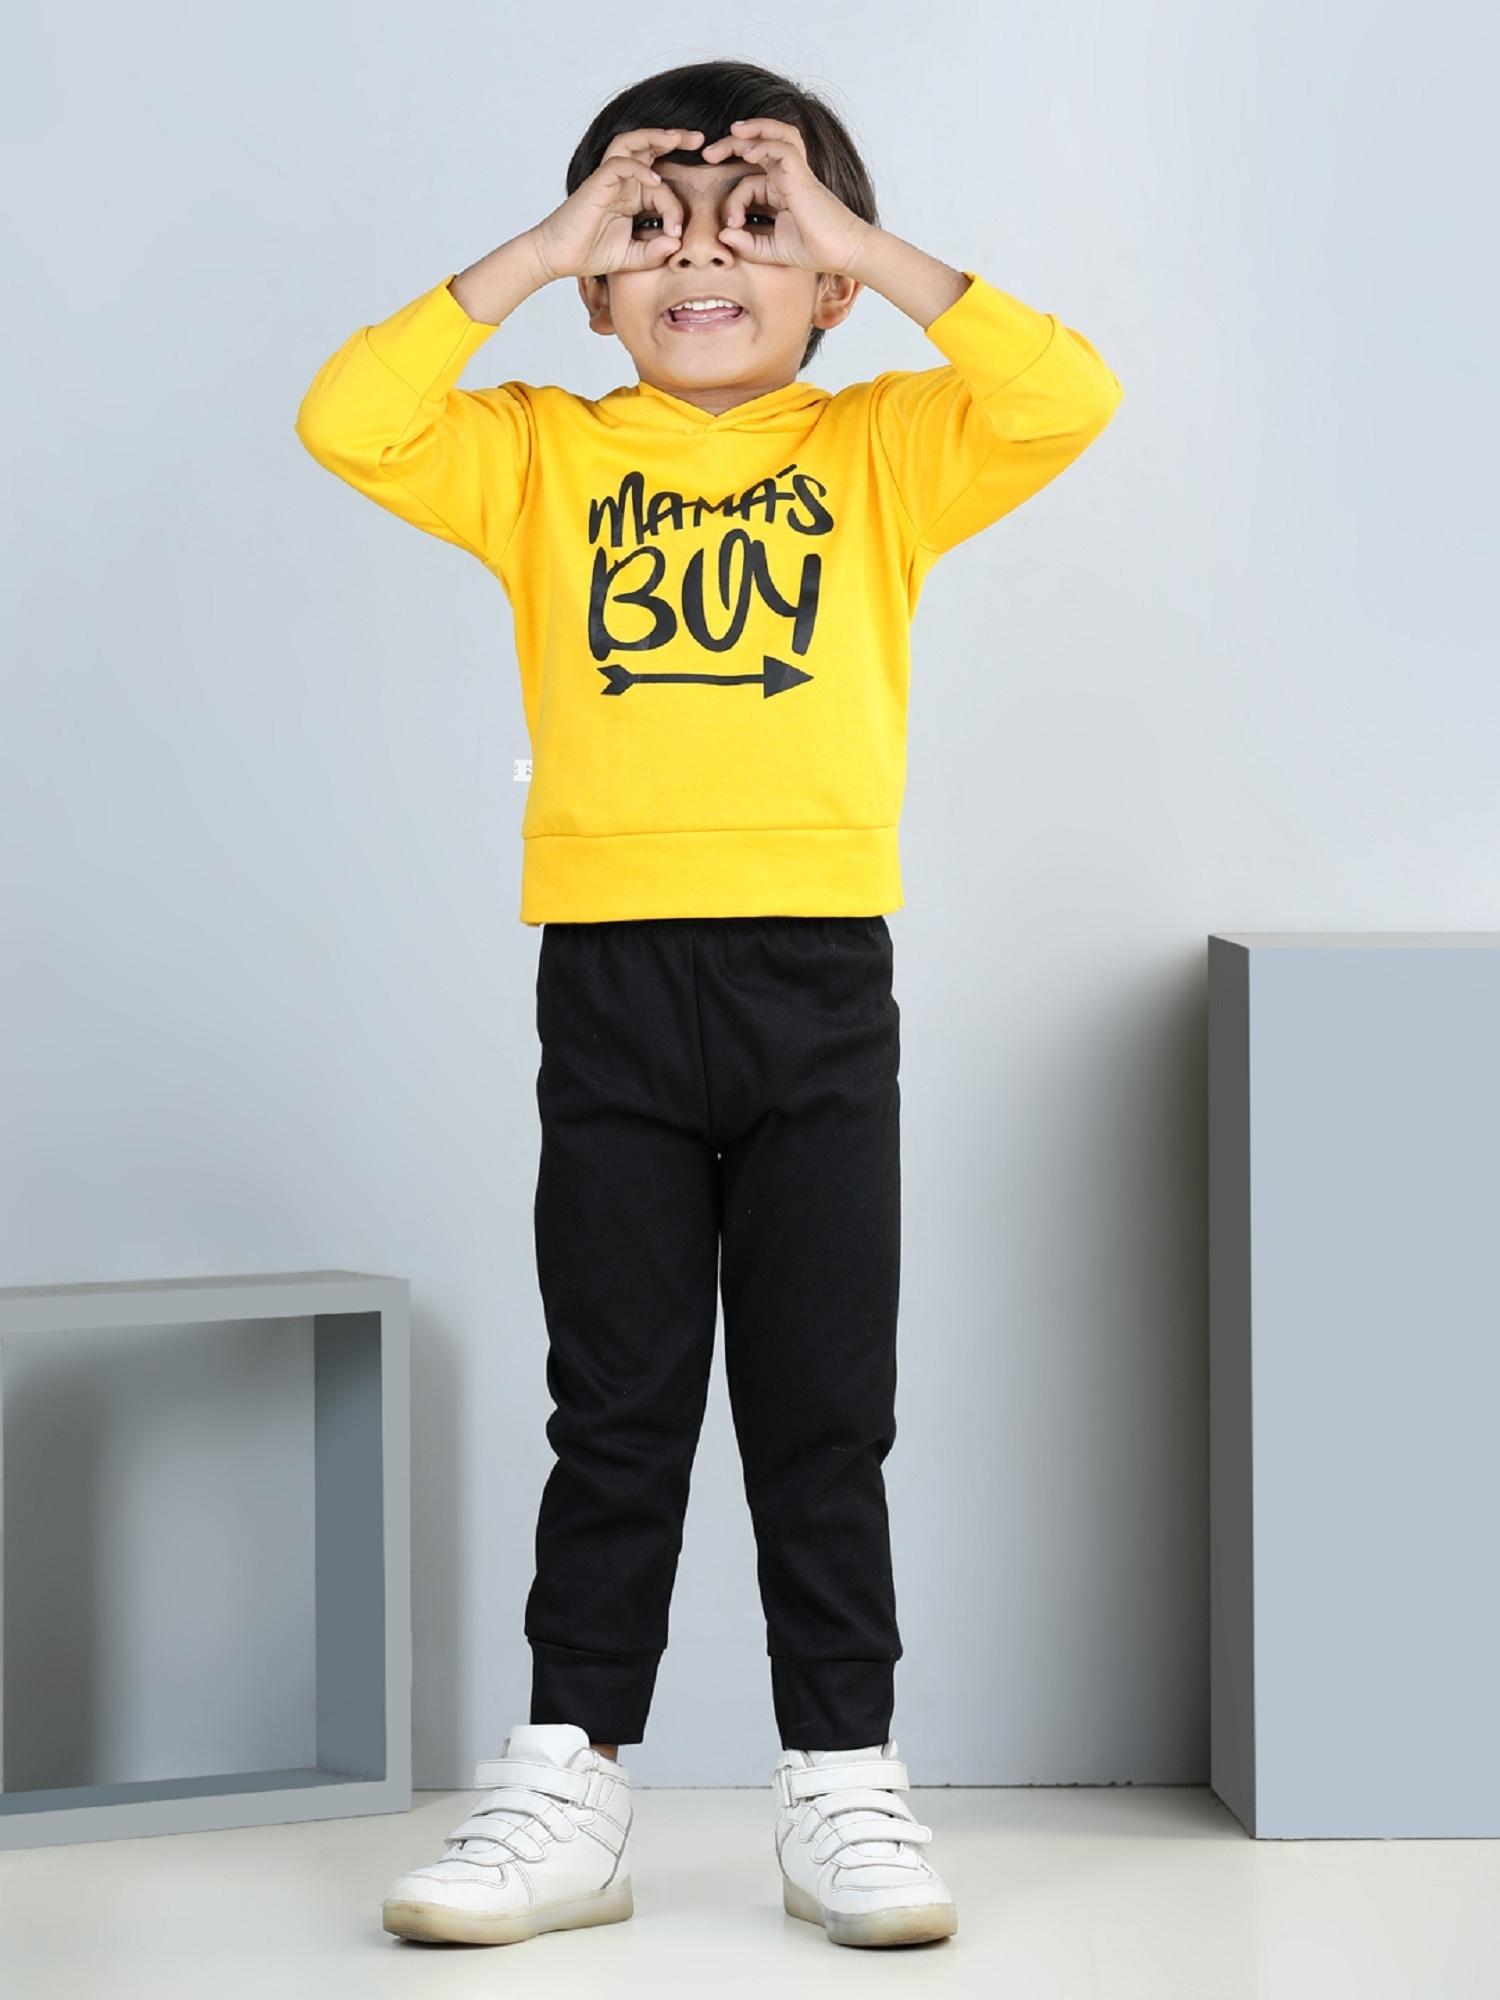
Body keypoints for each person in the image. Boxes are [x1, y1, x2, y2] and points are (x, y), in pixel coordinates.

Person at [295, 56, 1121, 1953]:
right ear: (600, 290)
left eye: (756, 229)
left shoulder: (887, 450)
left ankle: (843, 1777)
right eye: (652, 232)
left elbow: (1067, 392)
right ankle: (570, 1781)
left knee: (824, 1412)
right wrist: (542, 245)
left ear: (828, 282)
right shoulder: (538, 456)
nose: (703, 261)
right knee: (620, 1408)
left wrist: (860, 242)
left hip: (817, 974)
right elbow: (349, 415)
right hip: (610, 979)